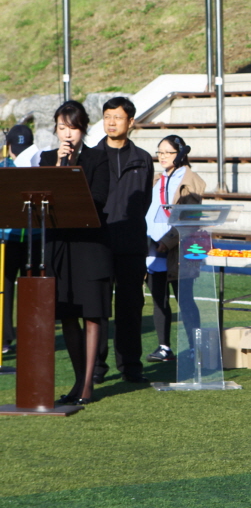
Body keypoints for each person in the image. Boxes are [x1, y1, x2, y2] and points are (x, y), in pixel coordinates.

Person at [40, 101, 113, 405]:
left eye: (72, 127)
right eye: (61, 127)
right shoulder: (46, 158)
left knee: (92, 313)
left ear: (83, 128)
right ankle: (77, 380)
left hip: (89, 245)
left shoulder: (98, 159)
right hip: (59, 246)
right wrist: (59, 166)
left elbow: (97, 199)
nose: (66, 133)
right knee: (68, 315)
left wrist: (72, 168)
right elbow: (43, 198)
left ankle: (87, 385)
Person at [93, 97, 154, 384]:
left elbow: (144, 201)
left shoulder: (143, 158)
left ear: (131, 122)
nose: (111, 122)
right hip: (99, 242)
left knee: (131, 307)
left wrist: (130, 227)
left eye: (117, 117)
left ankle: (131, 366)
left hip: (131, 243)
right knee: (99, 306)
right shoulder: (91, 157)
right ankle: (96, 367)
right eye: (107, 116)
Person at [145, 135, 206, 363]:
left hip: (178, 249)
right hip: (152, 246)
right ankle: (163, 347)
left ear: (181, 153)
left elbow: (190, 218)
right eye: (159, 152)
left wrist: (168, 241)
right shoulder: (157, 178)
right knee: (158, 299)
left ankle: (195, 348)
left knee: (185, 300)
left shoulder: (191, 179)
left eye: (168, 152)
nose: (162, 157)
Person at [1, 124, 34, 354]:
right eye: (16, 148)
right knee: (4, 287)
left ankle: (31, 335)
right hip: (6, 237)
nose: (19, 153)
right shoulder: (3, 167)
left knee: (31, 288)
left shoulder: (37, 165)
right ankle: (4, 337)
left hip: (34, 237)